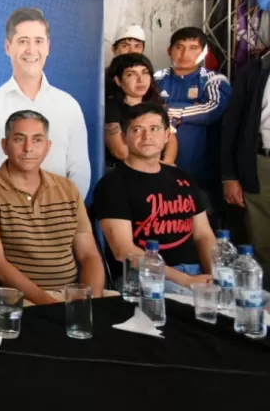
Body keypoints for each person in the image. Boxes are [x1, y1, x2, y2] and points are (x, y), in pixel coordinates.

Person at [0, 110, 104, 307]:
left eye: (37, 140)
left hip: (69, 296)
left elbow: (88, 255)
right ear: (4, 146)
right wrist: (49, 304)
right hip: (10, 299)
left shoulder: (67, 189)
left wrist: (91, 301)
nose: (28, 148)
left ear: (48, 147)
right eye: (19, 139)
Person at [0, 7, 91, 197]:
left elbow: (79, 172)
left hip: (60, 218)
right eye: (23, 41)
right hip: (6, 221)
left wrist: (61, 212)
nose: (31, 50)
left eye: (38, 41)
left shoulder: (69, 106)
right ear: (8, 47)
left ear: (48, 46)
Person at [93, 104, 216, 287]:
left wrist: (215, 277)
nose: (147, 137)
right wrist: (186, 281)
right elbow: (123, 250)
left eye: (154, 129)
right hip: (144, 278)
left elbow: (204, 235)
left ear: (167, 136)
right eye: (137, 130)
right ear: (124, 137)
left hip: (195, 272)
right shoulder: (112, 185)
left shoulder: (184, 178)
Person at [155, 26, 231, 206]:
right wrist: (192, 108)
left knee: (204, 223)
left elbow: (212, 109)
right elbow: (143, 110)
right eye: (179, 47)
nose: (185, 53)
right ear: (169, 50)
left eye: (193, 48)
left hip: (202, 170)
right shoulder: (155, 78)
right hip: (160, 167)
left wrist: (168, 109)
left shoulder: (213, 79)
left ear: (204, 52)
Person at [220, 53, 270, 266]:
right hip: (261, 164)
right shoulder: (255, 70)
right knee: (261, 242)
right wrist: (229, 175)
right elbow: (232, 124)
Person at [105, 53, 177, 168]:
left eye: (145, 72)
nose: (140, 80)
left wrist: (167, 163)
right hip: (125, 171)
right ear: (118, 80)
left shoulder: (156, 103)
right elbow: (121, 152)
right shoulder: (111, 107)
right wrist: (154, 164)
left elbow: (170, 137)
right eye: (131, 74)